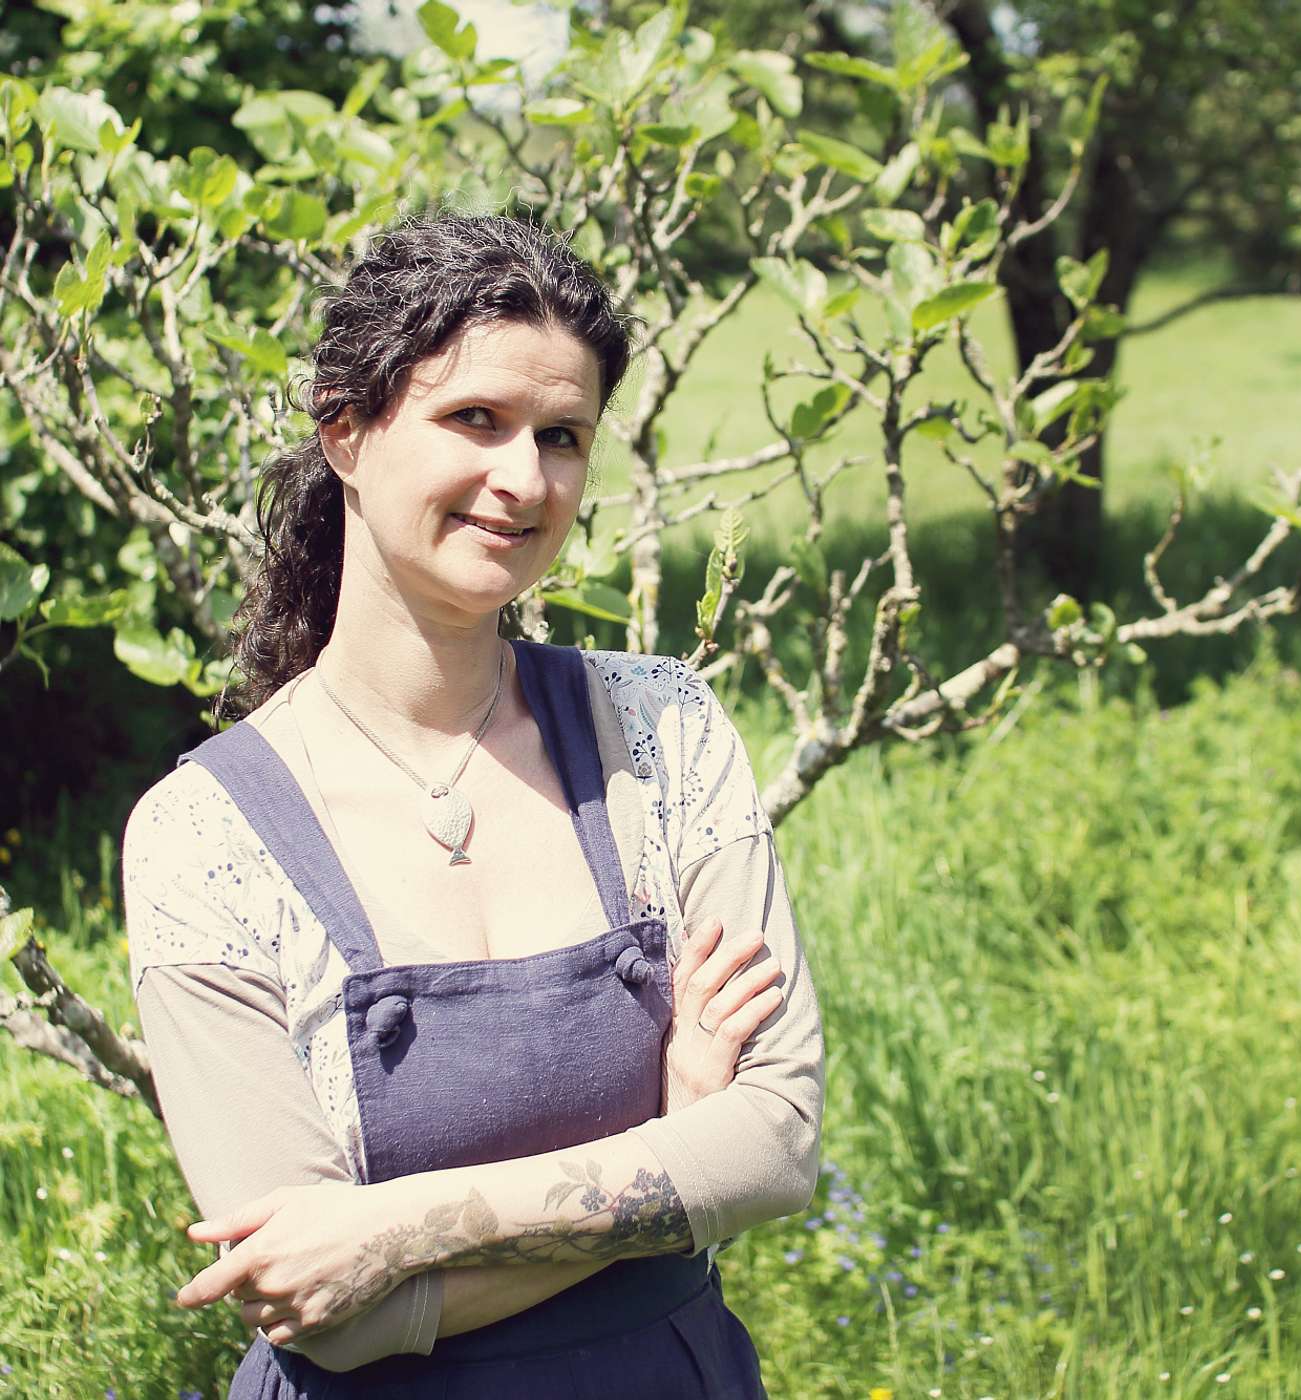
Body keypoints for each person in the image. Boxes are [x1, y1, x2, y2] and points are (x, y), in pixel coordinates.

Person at [121, 212, 824, 1397]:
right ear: (344, 429)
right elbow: (330, 1317)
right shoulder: (203, 837)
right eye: (474, 419)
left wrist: (401, 1228)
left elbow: (775, 1142)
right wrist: (668, 1154)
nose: (524, 479)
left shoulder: (660, 731)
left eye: (561, 436)